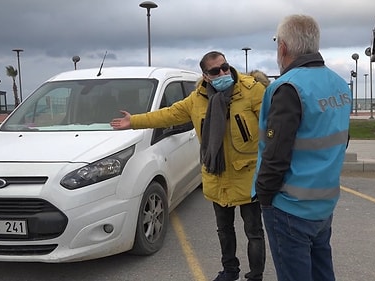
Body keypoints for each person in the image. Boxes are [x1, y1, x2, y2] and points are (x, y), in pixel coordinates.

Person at [111, 51, 266, 281]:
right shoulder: (197, 100)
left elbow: (270, 129)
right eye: (215, 71)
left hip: (248, 175)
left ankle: (255, 276)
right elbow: (168, 115)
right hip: (217, 175)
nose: (223, 73)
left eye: (225, 67)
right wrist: (133, 121)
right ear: (205, 76)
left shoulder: (252, 91)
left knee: (254, 232)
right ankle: (230, 271)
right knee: (224, 231)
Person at [252, 14, 352, 281]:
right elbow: (343, 140)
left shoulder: (287, 87)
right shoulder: (339, 84)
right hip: (324, 203)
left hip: (290, 207)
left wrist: (264, 195)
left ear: (282, 47)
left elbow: (275, 155)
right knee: (322, 271)